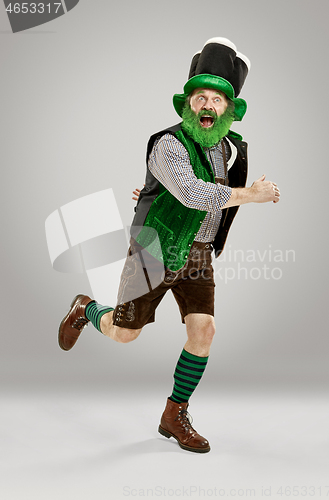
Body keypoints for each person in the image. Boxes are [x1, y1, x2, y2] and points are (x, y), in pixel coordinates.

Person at [58, 38, 280, 454]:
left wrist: (151, 193)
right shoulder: (168, 143)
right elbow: (195, 194)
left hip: (198, 252)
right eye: (201, 97)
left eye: (217, 99)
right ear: (188, 104)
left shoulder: (229, 149)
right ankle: (85, 307)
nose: (208, 105)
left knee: (205, 330)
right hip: (155, 250)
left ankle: (173, 414)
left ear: (229, 111)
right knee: (125, 335)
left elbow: (195, 191)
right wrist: (252, 194)